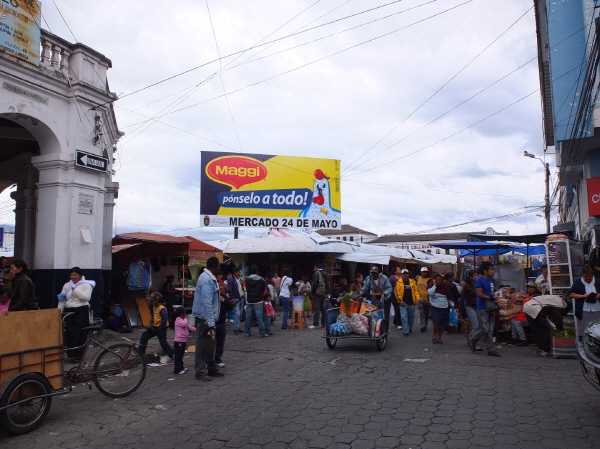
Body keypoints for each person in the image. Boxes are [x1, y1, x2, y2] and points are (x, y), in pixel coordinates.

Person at [193, 256, 223, 381]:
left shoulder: (210, 278)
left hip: (209, 318)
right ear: (214, 265)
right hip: (205, 318)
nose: (219, 268)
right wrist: (210, 323)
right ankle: (200, 371)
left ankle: (211, 367)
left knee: (211, 343)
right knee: (203, 344)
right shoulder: (206, 280)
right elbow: (206, 302)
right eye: (219, 265)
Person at [57, 267, 96, 361]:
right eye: (72, 275)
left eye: (75, 275)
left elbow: (86, 298)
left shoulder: (86, 285)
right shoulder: (67, 285)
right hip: (70, 311)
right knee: (70, 334)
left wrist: (75, 289)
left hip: (81, 311)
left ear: (80, 275)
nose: (73, 277)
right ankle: (71, 354)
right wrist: (58, 312)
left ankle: (79, 356)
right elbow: (62, 300)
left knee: (80, 333)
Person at [469, 262, 501, 357]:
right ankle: (472, 339)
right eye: (490, 269)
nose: (492, 271)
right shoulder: (479, 280)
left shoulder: (490, 280)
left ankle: (490, 349)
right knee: (485, 329)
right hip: (483, 307)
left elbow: (491, 292)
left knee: (490, 330)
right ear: (485, 271)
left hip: (491, 307)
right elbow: (480, 294)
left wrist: (495, 295)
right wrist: (490, 298)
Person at [139, 292, 175, 363]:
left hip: (161, 328)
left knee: (163, 343)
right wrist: (152, 320)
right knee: (144, 335)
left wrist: (161, 327)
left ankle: (173, 355)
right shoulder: (155, 307)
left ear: (157, 300)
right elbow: (156, 316)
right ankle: (140, 352)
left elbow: (165, 318)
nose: (151, 302)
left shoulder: (162, 308)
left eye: (152, 300)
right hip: (155, 327)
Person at [568, 265, 600, 340]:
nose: (588, 278)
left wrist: (598, 295)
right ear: (582, 275)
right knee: (583, 329)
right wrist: (582, 296)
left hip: (597, 309)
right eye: (586, 276)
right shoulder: (578, 282)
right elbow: (571, 294)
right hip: (584, 310)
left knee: (597, 330)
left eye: (590, 276)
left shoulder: (598, 281)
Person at [507, 282, 539, 347]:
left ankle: (523, 340)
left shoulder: (536, 297)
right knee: (513, 321)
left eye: (531, 287)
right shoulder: (527, 296)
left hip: (532, 318)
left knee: (517, 323)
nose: (530, 289)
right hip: (525, 315)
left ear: (535, 288)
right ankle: (514, 338)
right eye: (528, 287)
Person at [427, 273, 454, 344]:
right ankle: (434, 335)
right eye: (437, 280)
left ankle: (439, 337)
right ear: (434, 280)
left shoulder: (445, 286)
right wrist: (434, 285)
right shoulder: (431, 286)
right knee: (436, 323)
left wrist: (452, 304)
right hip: (434, 307)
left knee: (441, 324)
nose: (439, 281)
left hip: (444, 307)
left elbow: (449, 296)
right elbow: (430, 293)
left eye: (440, 280)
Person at [170, 307, 196, 375]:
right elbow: (185, 324)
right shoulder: (179, 320)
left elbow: (188, 327)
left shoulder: (183, 320)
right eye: (184, 313)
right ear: (181, 314)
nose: (185, 314)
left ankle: (181, 367)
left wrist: (195, 329)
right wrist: (186, 318)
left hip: (183, 340)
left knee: (181, 355)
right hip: (179, 341)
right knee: (178, 355)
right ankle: (177, 369)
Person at [461, 270, 482, 351]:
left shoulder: (479, 284)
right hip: (470, 306)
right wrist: (460, 310)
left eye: (477, 275)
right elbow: (462, 298)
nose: (477, 277)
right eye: (475, 275)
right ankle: (473, 340)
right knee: (476, 325)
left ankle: (472, 339)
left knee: (480, 326)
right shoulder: (466, 286)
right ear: (470, 277)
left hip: (478, 306)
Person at [245, 265, 268, 337]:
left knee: (248, 317)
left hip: (249, 300)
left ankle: (247, 332)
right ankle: (262, 332)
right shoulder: (261, 279)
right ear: (257, 271)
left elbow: (247, 289)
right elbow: (263, 288)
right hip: (258, 300)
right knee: (259, 318)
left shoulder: (247, 279)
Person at [215, 286, 233, 368]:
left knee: (220, 342)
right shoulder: (211, 297)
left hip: (221, 322)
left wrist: (224, 300)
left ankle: (218, 359)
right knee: (211, 342)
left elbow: (230, 306)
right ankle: (209, 361)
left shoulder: (224, 296)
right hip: (212, 323)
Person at [396, 268, 418, 336]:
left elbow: (415, 291)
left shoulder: (412, 282)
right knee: (404, 317)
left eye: (406, 274)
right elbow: (397, 293)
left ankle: (409, 328)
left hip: (411, 303)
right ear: (401, 275)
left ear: (408, 274)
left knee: (411, 317)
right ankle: (405, 331)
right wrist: (400, 300)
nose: (405, 275)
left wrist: (417, 298)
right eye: (404, 274)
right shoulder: (398, 282)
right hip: (403, 303)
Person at [310, 263, 330, 329]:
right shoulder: (325, 273)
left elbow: (314, 284)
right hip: (324, 293)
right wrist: (327, 293)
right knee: (323, 308)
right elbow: (327, 284)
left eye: (314, 267)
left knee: (317, 308)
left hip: (317, 293)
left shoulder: (316, 273)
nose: (314, 269)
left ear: (317, 267)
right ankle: (323, 323)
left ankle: (316, 324)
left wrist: (312, 293)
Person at [227, 267, 246, 335]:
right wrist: (232, 299)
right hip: (236, 299)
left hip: (241, 298)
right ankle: (236, 328)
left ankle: (237, 327)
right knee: (237, 314)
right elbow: (230, 291)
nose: (239, 273)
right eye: (238, 272)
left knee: (240, 314)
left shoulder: (239, 280)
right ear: (235, 273)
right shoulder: (231, 281)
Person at [415, 267, 431, 333]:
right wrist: (416, 298)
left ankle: (425, 325)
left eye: (425, 272)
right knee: (421, 313)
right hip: (419, 299)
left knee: (426, 313)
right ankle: (422, 326)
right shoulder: (417, 278)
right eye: (423, 272)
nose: (424, 273)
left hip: (426, 299)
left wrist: (428, 299)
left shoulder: (429, 280)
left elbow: (430, 290)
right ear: (421, 272)